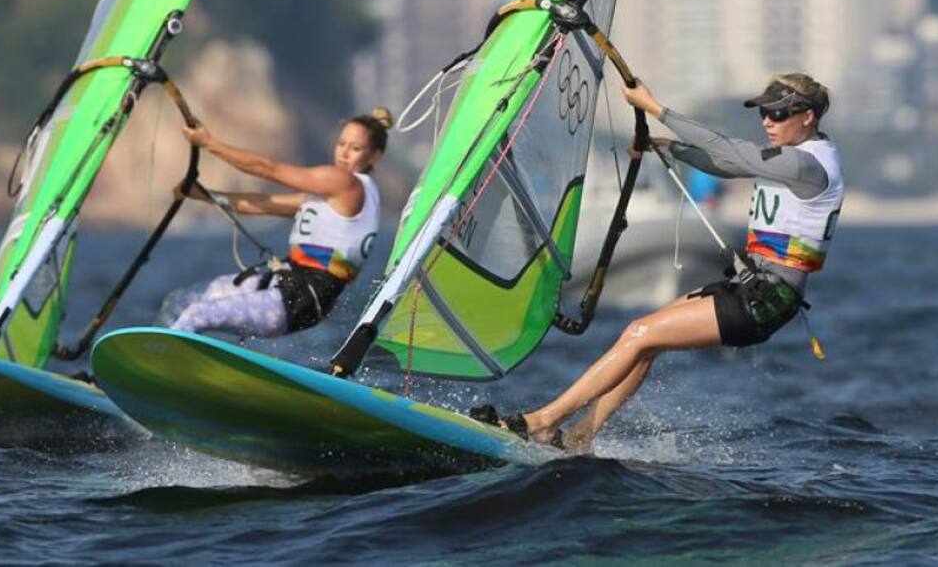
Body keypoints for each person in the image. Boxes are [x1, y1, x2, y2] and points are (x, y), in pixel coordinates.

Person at [478, 73, 843, 452]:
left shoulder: (806, 166)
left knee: (638, 333)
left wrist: (654, 108)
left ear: (808, 116)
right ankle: (581, 435)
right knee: (646, 342)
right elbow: (725, 165)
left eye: (779, 113)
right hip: (752, 287)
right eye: (765, 113)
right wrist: (669, 148)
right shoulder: (802, 154)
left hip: (765, 301)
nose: (768, 121)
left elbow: (728, 151)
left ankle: (542, 421)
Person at [167, 108, 392, 338]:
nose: (344, 154)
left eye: (355, 148)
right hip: (284, 284)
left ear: (374, 156)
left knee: (196, 313)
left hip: (299, 300)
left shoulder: (346, 183)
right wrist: (203, 194)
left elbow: (267, 169)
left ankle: (160, 361)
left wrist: (208, 142)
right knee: (181, 301)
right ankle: (151, 352)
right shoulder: (333, 199)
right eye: (341, 144)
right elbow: (258, 204)